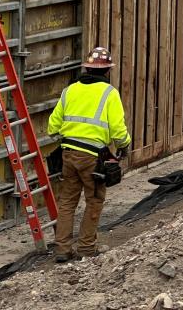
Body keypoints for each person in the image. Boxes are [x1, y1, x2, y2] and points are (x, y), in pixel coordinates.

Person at [47, 47, 131, 263]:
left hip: (68, 154)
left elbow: (52, 127)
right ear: (107, 71)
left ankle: (62, 249)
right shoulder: (109, 93)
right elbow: (117, 129)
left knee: (67, 202)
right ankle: (86, 248)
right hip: (93, 158)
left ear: (86, 67)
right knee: (94, 200)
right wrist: (125, 145)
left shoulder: (70, 91)